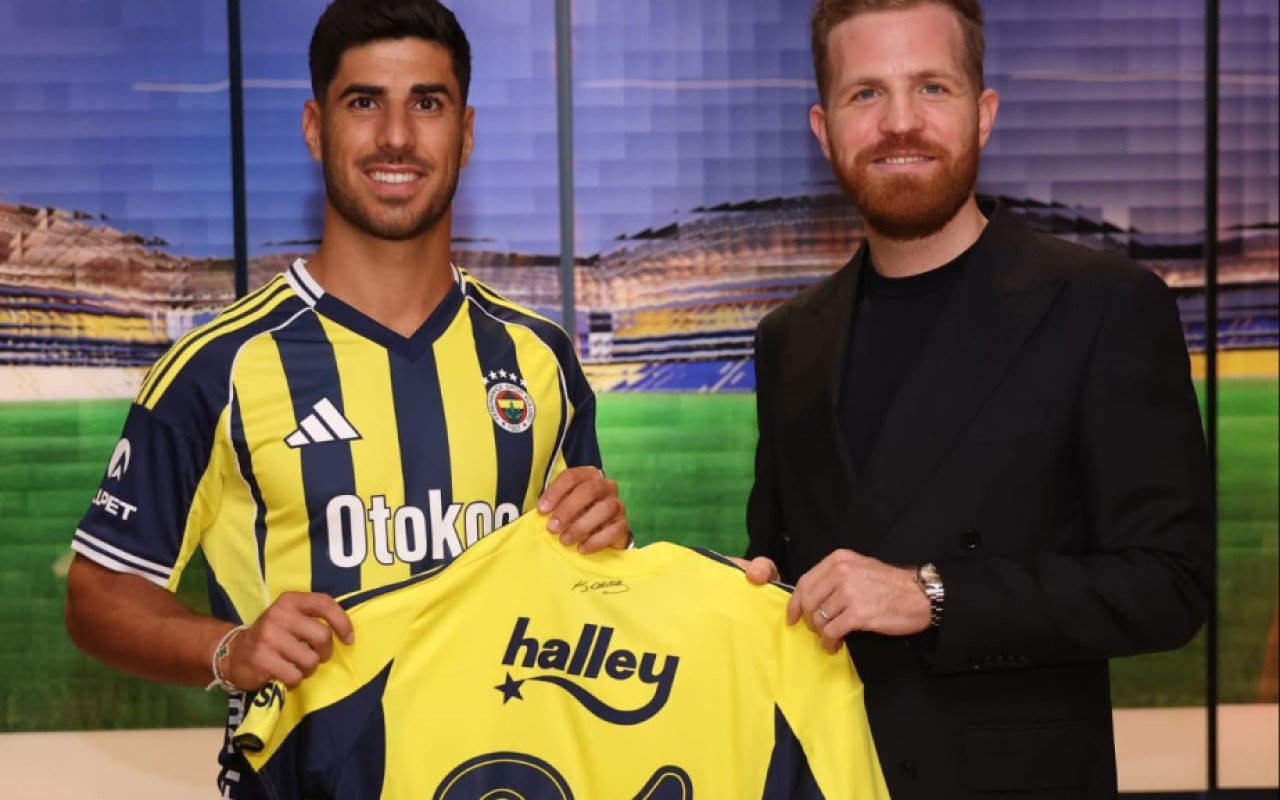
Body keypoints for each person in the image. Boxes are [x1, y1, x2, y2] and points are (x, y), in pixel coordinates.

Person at [63, 0, 629, 795]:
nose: (396, 136)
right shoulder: (220, 366)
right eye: (364, 102)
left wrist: (605, 547)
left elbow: (585, 586)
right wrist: (231, 649)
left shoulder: (540, 358)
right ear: (314, 127)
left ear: (465, 132)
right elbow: (98, 596)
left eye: (427, 103)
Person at [739, 1, 1213, 797]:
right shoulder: (789, 338)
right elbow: (786, 569)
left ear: (983, 113)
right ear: (824, 130)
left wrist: (933, 594)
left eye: (932, 87)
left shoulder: (1104, 306)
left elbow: (1170, 584)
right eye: (866, 93)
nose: (899, 122)